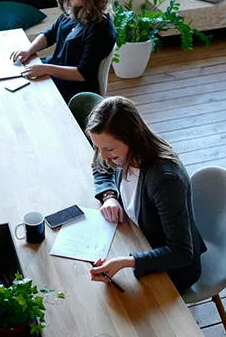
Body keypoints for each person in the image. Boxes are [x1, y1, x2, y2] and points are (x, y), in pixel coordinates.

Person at [86, 96, 207, 292]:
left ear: (132, 137)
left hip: (171, 268)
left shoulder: (165, 180)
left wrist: (127, 262)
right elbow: (99, 165)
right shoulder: (122, 152)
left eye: (109, 149)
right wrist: (109, 196)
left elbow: (181, 253)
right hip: (137, 237)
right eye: (98, 147)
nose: (104, 156)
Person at [11, 0, 116, 102]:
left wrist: (45, 69)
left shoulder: (101, 28)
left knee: (25, 92)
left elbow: (82, 73)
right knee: (18, 77)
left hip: (75, 89)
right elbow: (50, 34)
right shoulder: (75, 9)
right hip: (55, 70)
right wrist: (28, 50)